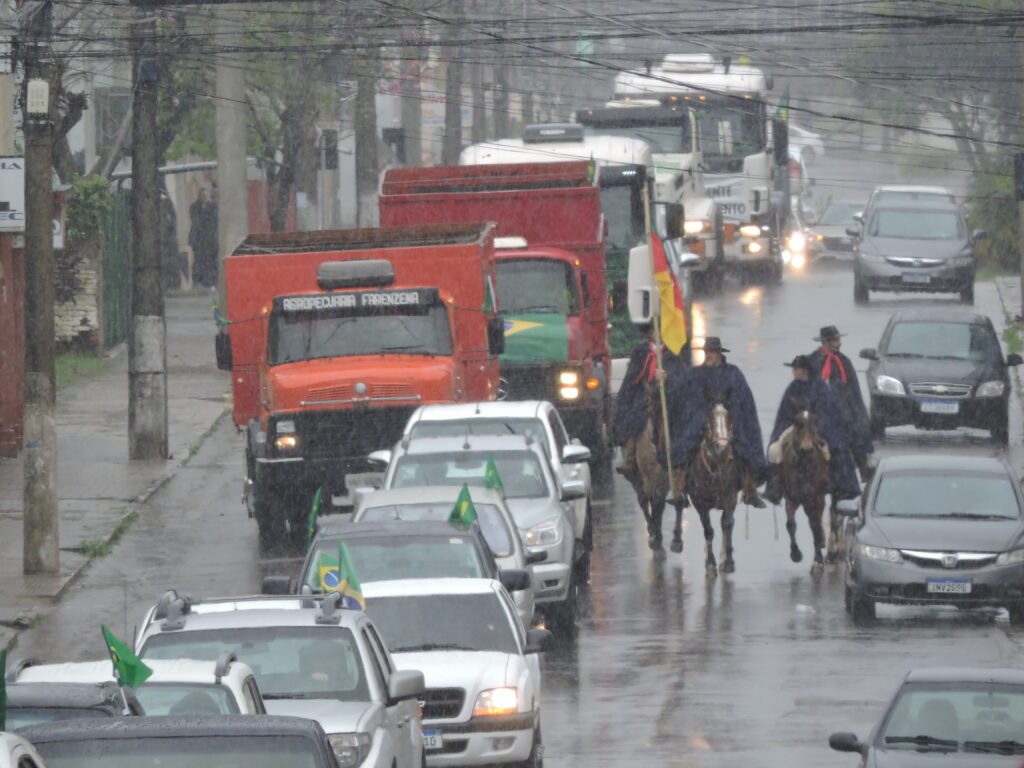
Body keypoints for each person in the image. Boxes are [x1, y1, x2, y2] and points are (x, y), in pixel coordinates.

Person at [764, 355, 861, 503]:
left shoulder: (820, 387)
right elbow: (784, 413)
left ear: (805, 370)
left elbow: (828, 411)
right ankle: (775, 487)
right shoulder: (792, 388)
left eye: (797, 369)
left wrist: (817, 425)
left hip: (816, 428)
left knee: (834, 450)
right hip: (795, 427)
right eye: (794, 369)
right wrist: (790, 426)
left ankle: (838, 484)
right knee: (774, 450)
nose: (794, 372)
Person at [613, 322, 690, 498]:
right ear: (650, 332)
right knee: (635, 419)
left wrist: (667, 377)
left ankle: (681, 470)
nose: (658, 333)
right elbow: (632, 379)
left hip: (668, 399)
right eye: (655, 330)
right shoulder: (640, 352)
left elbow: (683, 378)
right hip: (644, 397)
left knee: (681, 426)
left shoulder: (673, 353)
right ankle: (630, 458)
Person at [692, 337, 768, 508]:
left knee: (744, 445)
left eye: (711, 352)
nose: (708, 355)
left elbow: (743, 398)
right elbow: (689, 394)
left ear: (719, 353)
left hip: (730, 420)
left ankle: (750, 489)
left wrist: (732, 412)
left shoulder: (733, 373)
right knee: (686, 443)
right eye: (706, 352)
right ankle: (681, 486)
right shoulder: (696, 374)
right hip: (703, 420)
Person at [807, 325, 875, 481]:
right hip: (819, 414)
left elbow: (853, 392)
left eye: (838, 340)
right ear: (827, 342)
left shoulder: (844, 362)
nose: (839, 343)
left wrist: (856, 415)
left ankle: (862, 474)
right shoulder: (813, 361)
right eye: (836, 340)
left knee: (857, 440)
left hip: (843, 415)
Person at [189, 188, 218, 287]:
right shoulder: (195, 207)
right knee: (199, 261)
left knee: (210, 261)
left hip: (210, 240)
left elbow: (214, 221)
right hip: (199, 241)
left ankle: (210, 280)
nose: (204, 197)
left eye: (206, 195)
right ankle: (198, 281)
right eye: (202, 195)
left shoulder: (213, 206)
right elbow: (196, 220)